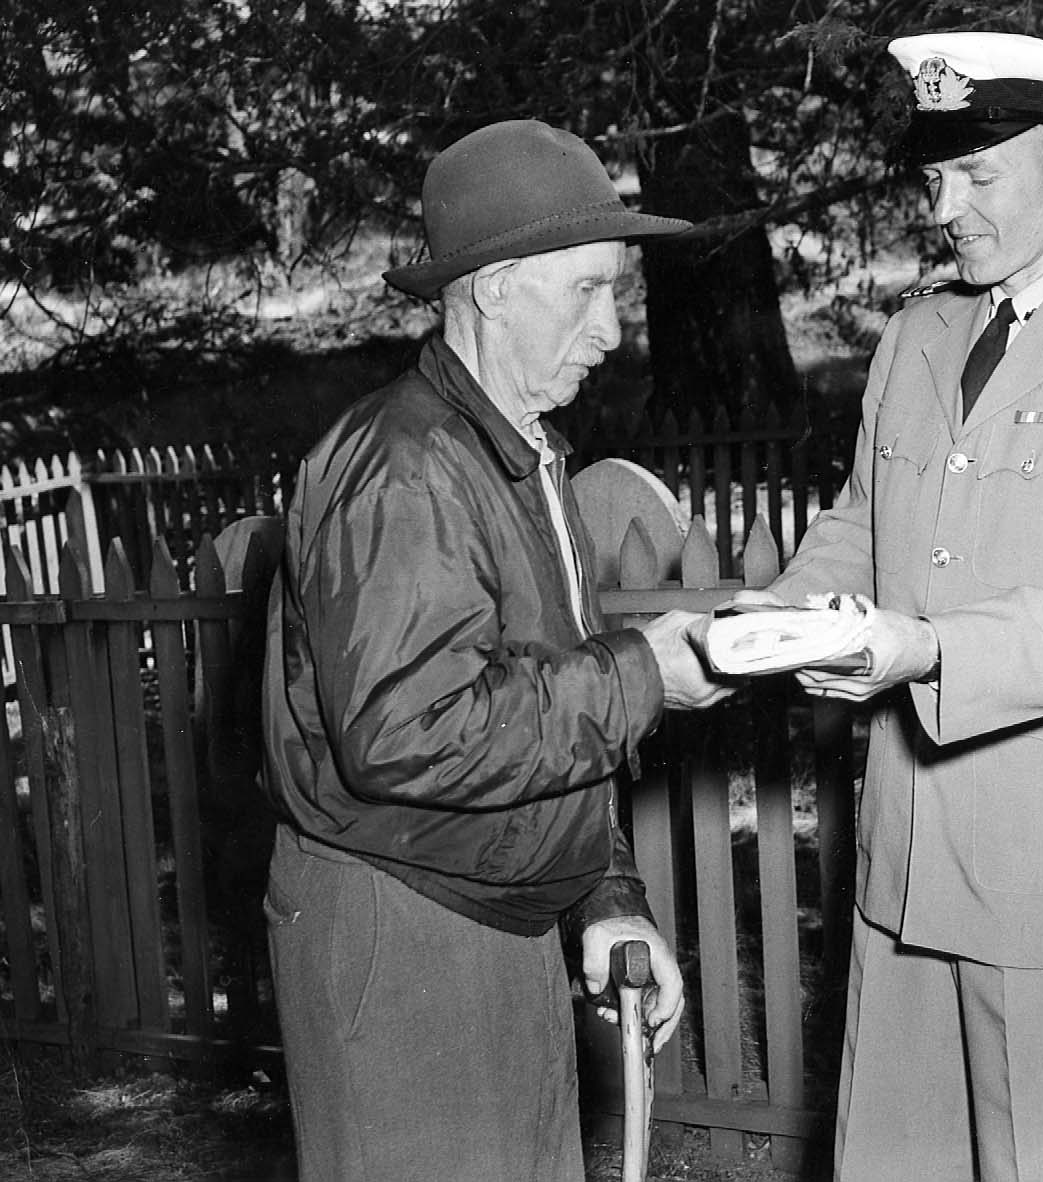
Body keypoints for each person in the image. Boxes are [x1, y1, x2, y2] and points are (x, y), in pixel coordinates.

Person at [742, 32, 1043, 1182]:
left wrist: (922, 649)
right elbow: (861, 523)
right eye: (933, 178)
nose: (944, 210)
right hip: (906, 847)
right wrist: (783, 613)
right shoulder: (917, 332)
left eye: (976, 174)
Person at [260, 119, 733, 1182]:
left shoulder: (519, 454)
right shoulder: (407, 472)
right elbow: (409, 734)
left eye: (617, 293)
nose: (611, 330)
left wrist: (607, 900)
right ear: (494, 289)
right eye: (587, 291)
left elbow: (533, 704)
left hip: (494, 911)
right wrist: (645, 674)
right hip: (405, 928)